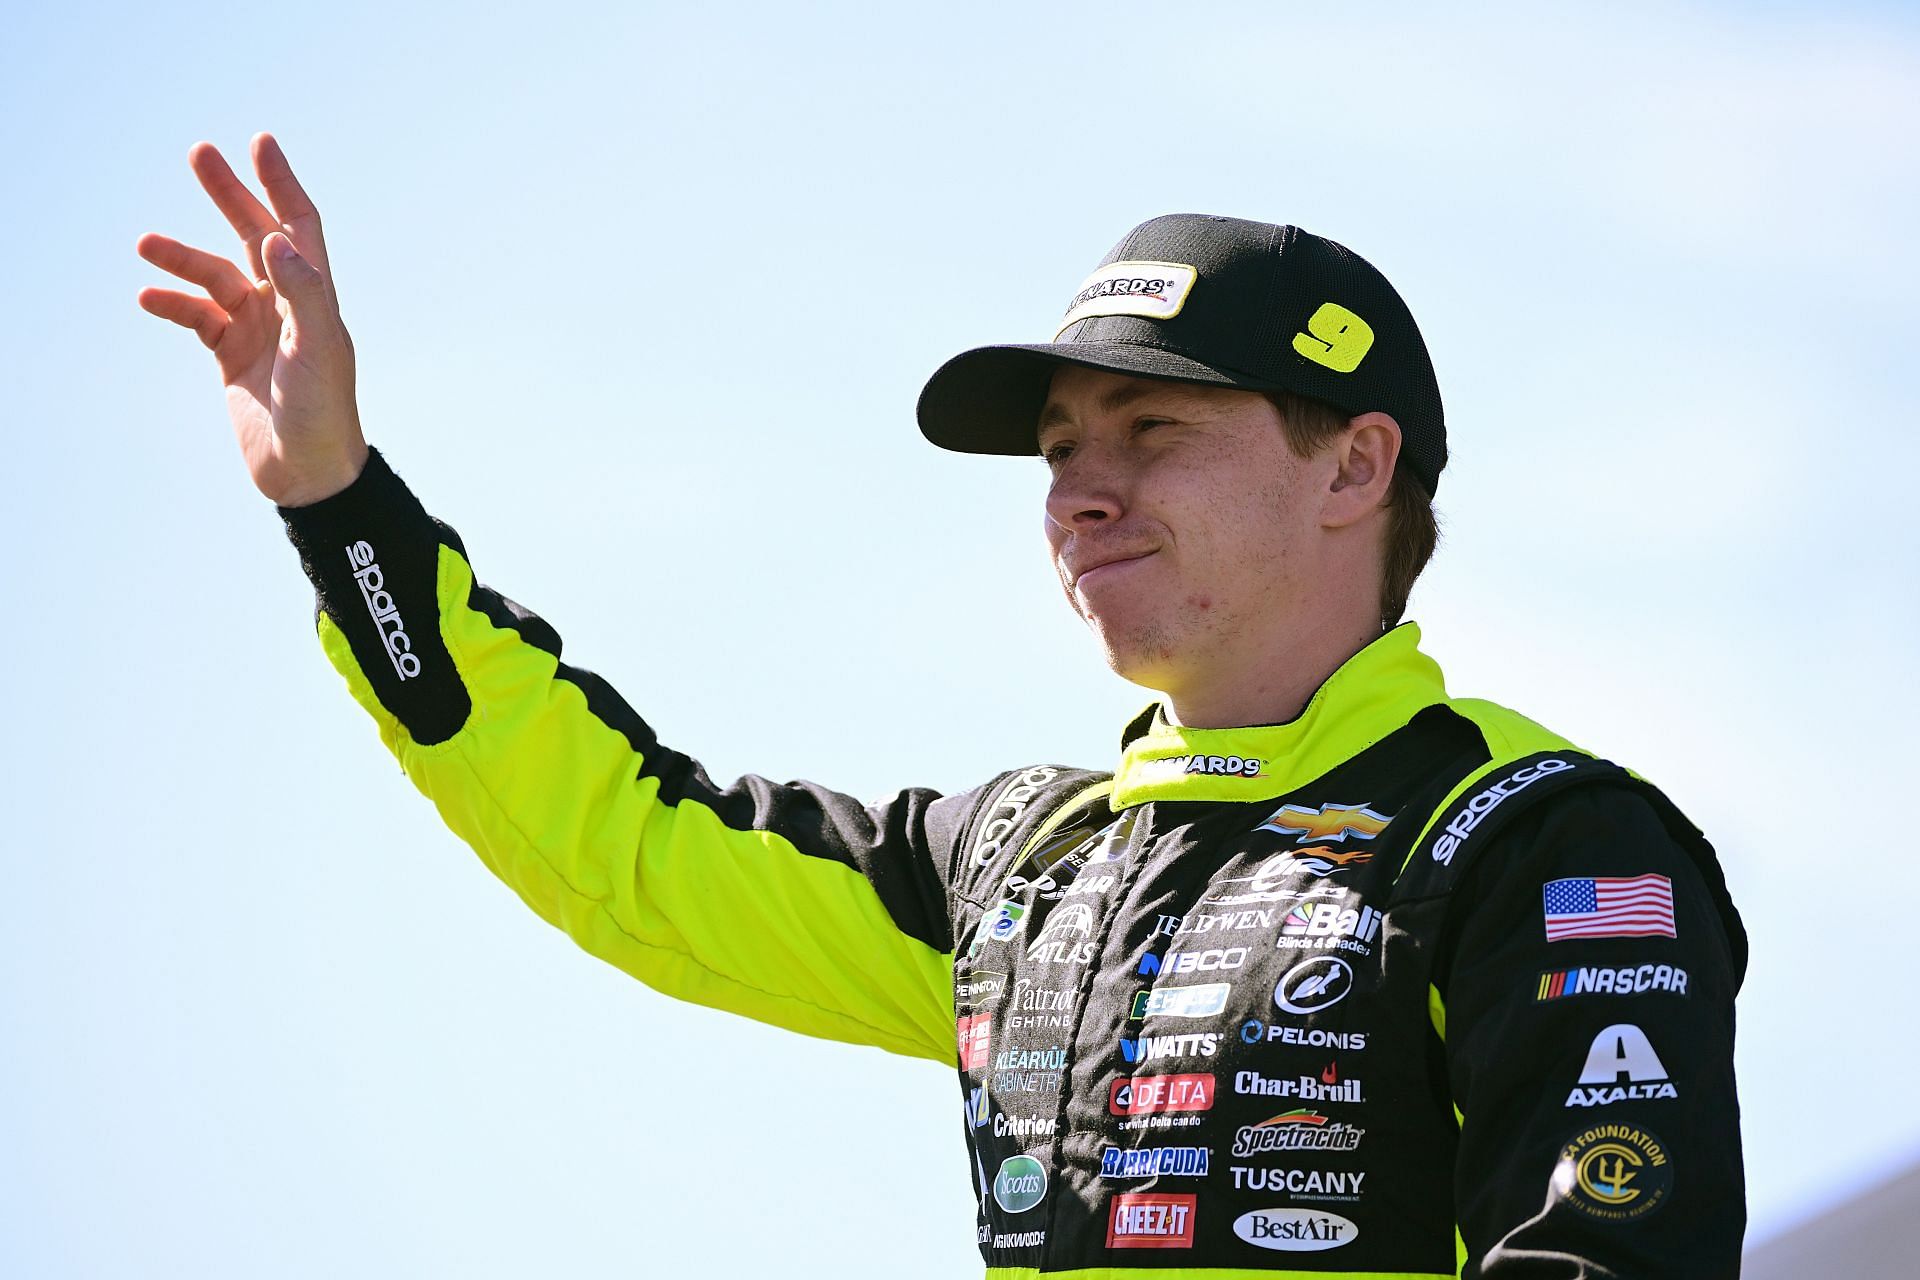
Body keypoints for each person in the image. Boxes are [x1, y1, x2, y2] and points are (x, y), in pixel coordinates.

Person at [138, 133, 1748, 1278]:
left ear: (1356, 463)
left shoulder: (1544, 844)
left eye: (1152, 430)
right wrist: (338, 502)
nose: (1080, 494)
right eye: (1058, 450)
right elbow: (622, 844)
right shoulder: (1022, 865)